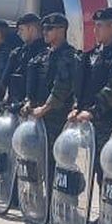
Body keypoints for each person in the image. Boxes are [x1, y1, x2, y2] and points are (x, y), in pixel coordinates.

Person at [71, 7, 112, 151]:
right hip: (87, 121)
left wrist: (92, 111)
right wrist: (77, 107)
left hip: (110, 122)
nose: (95, 30)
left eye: (100, 26)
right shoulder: (93, 54)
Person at [25, 13, 80, 157]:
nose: (45, 32)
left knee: (56, 157)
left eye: (49, 28)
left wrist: (45, 108)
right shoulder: (43, 55)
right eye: (44, 28)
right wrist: (29, 101)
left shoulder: (69, 56)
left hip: (57, 116)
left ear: (62, 30)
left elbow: (62, 86)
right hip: (39, 115)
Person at [0, 12, 43, 113]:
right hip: (14, 106)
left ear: (32, 29)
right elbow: (5, 81)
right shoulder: (18, 53)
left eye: (21, 29)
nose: (18, 33)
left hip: (32, 109)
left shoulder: (44, 54)